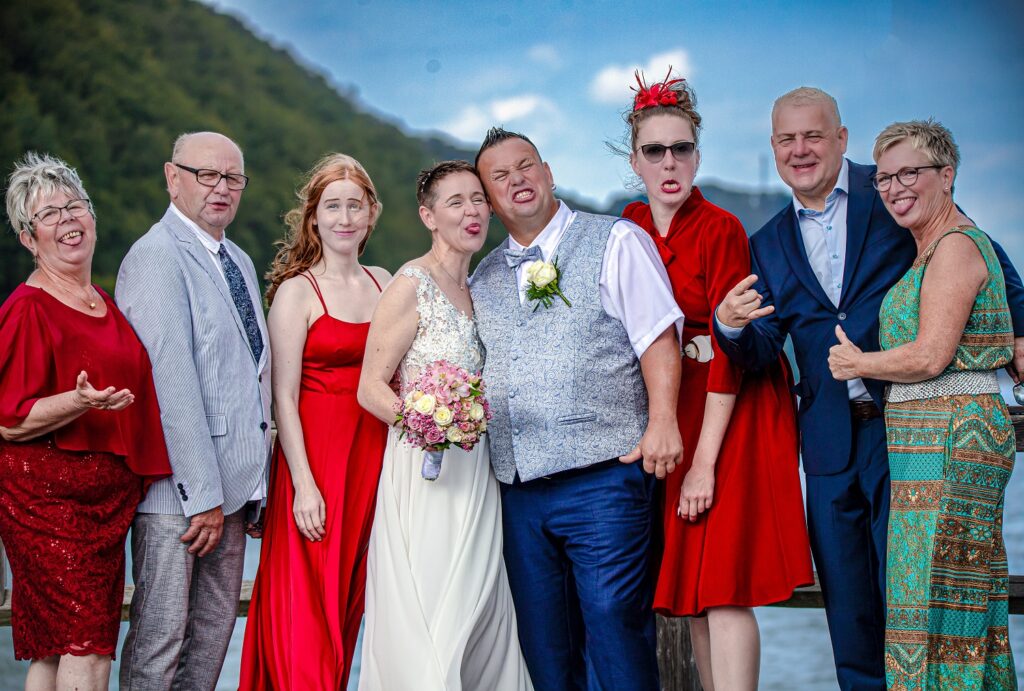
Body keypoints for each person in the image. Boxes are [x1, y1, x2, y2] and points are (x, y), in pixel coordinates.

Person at [713, 88, 1024, 690]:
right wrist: (728, 326)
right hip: (828, 450)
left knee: (921, 606)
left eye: (813, 136)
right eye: (786, 139)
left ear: (841, 139)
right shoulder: (769, 240)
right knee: (850, 616)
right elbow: (762, 351)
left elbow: (983, 254)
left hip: (909, 435)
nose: (800, 150)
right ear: (774, 148)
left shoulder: (893, 191)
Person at [619, 73, 813, 691]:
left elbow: (733, 348)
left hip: (729, 408)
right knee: (692, 585)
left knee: (725, 580)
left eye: (681, 149)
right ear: (636, 160)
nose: (669, 162)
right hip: (671, 407)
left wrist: (703, 464)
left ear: (698, 156)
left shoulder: (722, 227)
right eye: (655, 151)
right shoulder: (627, 225)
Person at [472, 127, 685, 690]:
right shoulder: (482, 277)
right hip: (518, 491)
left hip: (605, 479)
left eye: (526, 165)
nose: (516, 179)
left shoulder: (615, 239)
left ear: (548, 173)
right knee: (546, 644)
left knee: (615, 624)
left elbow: (658, 339)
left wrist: (664, 421)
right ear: (489, 202)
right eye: (499, 176)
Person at [828, 119, 1017, 690]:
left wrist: (858, 364)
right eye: (884, 177)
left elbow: (933, 355)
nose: (894, 187)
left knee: (941, 604)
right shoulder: (928, 248)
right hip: (924, 446)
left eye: (910, 172)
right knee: (943, 603)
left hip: (954, 443)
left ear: (947, 174)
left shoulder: (956, 247)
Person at [356, 160, 532, 690]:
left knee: (480, 601)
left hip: (478, 471)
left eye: (478, 199)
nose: (473, 211)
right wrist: (429, 424)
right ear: (428, 216)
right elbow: (370, 387)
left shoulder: (483, 288)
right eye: (455, 202)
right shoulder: (411, 284)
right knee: (436, 604)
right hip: (425, 470)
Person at [0, 153, 171, 691]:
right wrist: (78, 402)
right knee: (91, 649)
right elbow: (10, 419)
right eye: (49, 215)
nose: (67, 219)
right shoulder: (27, 308)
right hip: (50, 504)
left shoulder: (102, 299)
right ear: (29, 240)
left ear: (92, 218)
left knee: (56, 650)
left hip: (104, 505)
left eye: (75, 206)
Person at [115, 132, 273, 691]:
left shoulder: (240, 260)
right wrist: (202, 497)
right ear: (172, 176)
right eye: (207, 174)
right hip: (180, 498)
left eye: (233, 177)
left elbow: (251, 377)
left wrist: (259, 485)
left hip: (235, 493)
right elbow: (171, 380)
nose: (221, 188)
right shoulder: (155, 256)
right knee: (160, 645)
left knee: (209, 645)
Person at [239, 153, 390, 690]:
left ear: (372, 213)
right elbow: (282, 397)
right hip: (317, 466)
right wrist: (302, 484)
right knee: (306, 609)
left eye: (355, 205)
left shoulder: (385, 282)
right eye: (332, 206)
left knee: (351, 602)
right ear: (314, 218)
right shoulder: (298, 291)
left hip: (375, 463)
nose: (344, 217)